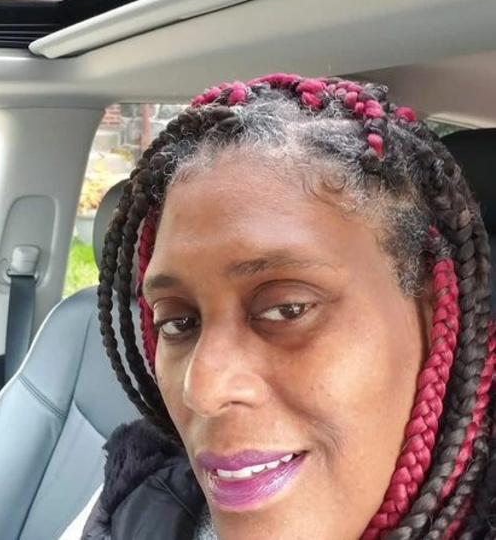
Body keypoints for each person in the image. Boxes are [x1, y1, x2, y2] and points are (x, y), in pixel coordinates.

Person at [83, 74, 496, 539]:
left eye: (287, 309)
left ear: (438, 318)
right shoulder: (134, 506)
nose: (203, 390)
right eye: (179, 322)